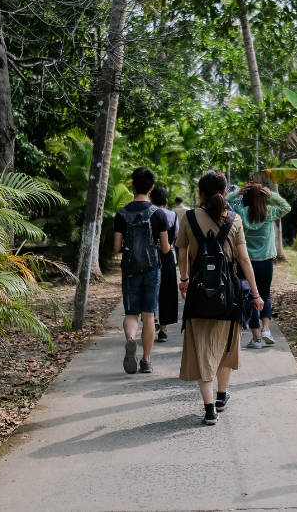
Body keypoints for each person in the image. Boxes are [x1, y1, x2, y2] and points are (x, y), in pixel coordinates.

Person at [177, 169, 264, 425]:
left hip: (198, 292)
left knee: (203, 348)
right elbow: (244, 259)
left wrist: (184, 280)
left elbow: (182, 256)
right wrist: (256, 295)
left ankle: (208, 409)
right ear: (225, 192)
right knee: (226, 346)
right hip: (230, 294)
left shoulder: (189, 218)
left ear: (200, 193)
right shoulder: (234, 220)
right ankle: (221, 396)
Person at [113, 168, 172, 375]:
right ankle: (146, 361)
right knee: (148, 316)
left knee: (131, 314)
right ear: (151, 187)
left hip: (129, 270)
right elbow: (165, 249)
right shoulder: (159, 214)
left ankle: (131, 340)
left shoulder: (121, 214)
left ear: (132, 185)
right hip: (152, 269)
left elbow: (117, 248)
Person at [226, 182, 291, 349]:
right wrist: (272, 196)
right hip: (266, 262)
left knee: (250, 297)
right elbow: (286, 207)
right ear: (262, 196)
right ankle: (266, 330)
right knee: (265, 295)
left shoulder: (239, 212)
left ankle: (255, 339)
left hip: (245, 263)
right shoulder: (268, 212)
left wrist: (237, 193)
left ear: (245, 197)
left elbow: (226, 203)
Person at [149, 185, 178, 342]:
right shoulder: (172, 215)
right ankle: (164, 330)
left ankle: (152, 321)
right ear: (165, 199)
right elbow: (176, 234)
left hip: (150, 256)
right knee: (167, 292)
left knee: (151, 291)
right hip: (167, 256)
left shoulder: (148, 214)